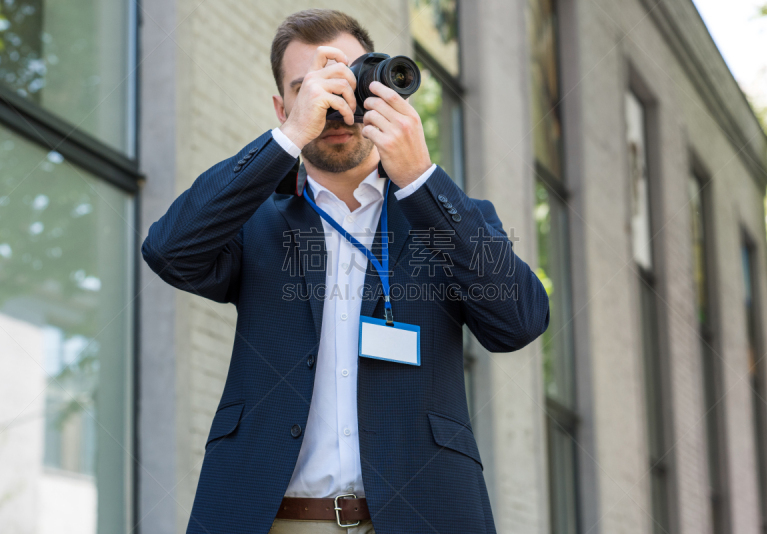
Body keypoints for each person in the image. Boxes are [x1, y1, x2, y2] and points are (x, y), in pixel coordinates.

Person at [141, 8, 550, 534]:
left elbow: (519, 321)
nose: (337, 106)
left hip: (421, 515)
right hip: (273, 518)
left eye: (350, 82)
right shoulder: (254, 218)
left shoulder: (445, 217)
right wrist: (285, 140)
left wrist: (420, 179)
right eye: (311, 88)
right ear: (283, 106)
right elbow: (169, 251)